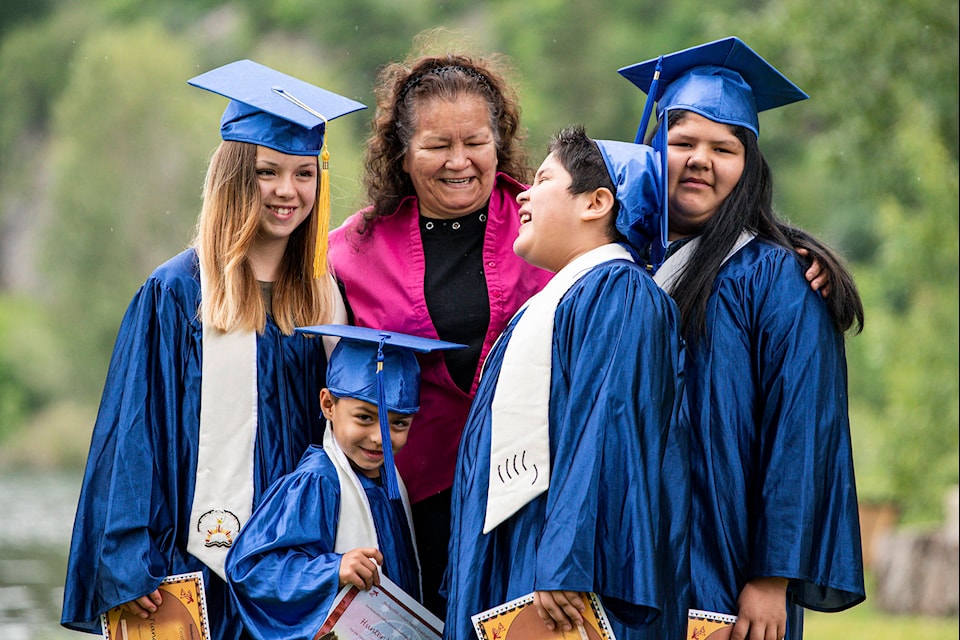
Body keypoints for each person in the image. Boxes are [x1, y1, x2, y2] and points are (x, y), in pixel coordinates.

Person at [60, 60, 365, 639]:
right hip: (191, 562)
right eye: (267, 172)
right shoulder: (177, 292)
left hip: (295, 566)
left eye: (304, 174)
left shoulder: (325, 299)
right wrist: (130, 560)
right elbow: (134, 432)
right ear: (233, 178)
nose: (287, 191)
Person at [618, 36, 866, 639]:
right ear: (653, 149)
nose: (700, 159)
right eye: (682, 143)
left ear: (748, 166)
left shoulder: (781, 276)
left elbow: (801, 431)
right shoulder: (625, 268)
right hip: (634, 560)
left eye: (723, 148)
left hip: (728, 565)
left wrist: (772, 577)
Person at [327, 42, 553, 616]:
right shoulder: (353, 249)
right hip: (407, 502)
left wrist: (795, 254)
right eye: (437, 145)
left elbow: (640, 262)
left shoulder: (546, 225)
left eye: (476, 142)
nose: (461, 160)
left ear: (498, 144)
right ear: (402, 155)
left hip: (528, 497)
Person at [443, 125, 686, 639]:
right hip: (527, 551)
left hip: (560, 571)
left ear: (597, 202)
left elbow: (605, 430)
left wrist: (567, 559)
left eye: (543, 178)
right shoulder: (553, 301)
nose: (523, 193)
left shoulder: (620, 293)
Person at [225, 325, 465, 638]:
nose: (380, 438)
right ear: (328, 405)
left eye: (399, 423)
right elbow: (252, 570)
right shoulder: (317, 482)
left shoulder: (390, 483)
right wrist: (332, 569)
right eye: (364, 417)